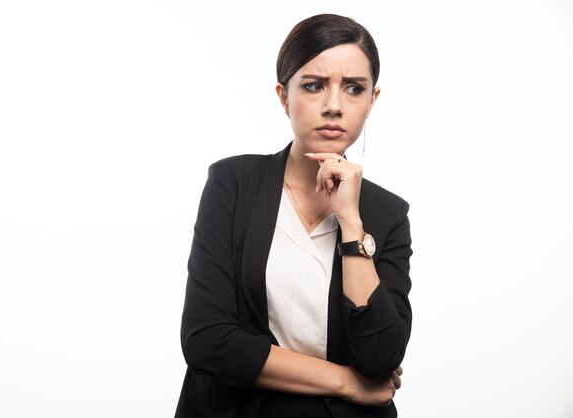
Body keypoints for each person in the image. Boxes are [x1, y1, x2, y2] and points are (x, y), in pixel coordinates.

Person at [175, 13, 413, 418]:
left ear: (372, 101)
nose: (334, 106)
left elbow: (379, 358)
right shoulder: (232, 184)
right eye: (314, 86)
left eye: (354, 88)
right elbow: (207, 341)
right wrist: (346, 383)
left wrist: (352, 224)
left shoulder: (387, 213)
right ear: (284, 96)